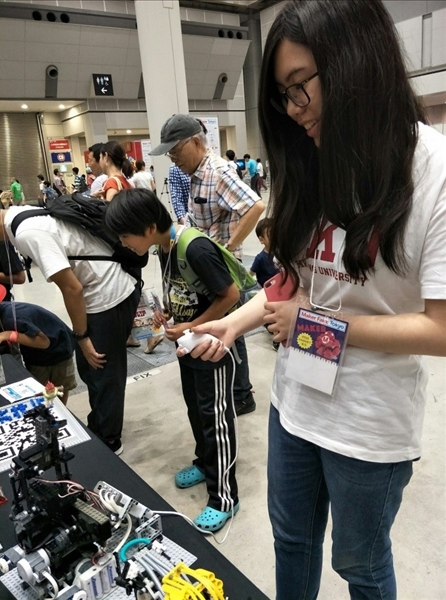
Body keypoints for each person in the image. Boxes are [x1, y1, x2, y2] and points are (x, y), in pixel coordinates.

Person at [187, 1, 446, 598]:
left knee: (360, 564)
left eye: (300, 86)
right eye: (283, 96)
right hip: (296, 402)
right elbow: (296, 285)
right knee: (292, 541)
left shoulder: (430, 171)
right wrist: (234, 324)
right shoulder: (311, 161)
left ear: (356, 62)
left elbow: (439, 328)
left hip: (368, 421)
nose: (294, 109)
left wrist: (318, 326)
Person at [105, 188, 240, 532]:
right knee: (196, 409)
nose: (124, 244)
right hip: (188, 345)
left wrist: (192, 326)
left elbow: (231, 295)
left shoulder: (194, 247)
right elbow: (184, 290)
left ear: (149, 227)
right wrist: (168, 314)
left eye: (125, 236)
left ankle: (224, 497)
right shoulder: (164, 247)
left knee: (215, 419)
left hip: (212, 347)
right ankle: (205, 463)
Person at [0, 203, 141, 455]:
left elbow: (72, 288)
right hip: (99, 289)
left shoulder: (27, 232)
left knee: (102, 369)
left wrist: (81, 336)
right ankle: (99, 426)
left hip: (107, 293)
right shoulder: (19, 216)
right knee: (90, 370)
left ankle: (109, 441)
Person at [150, 114, 266, 416]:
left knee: (231, 331)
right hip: (203, 266)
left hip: (218, 270)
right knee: (221, 328)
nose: (174, 159)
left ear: (196, 142)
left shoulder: (217, 171)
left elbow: (256, 206)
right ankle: (235, 389)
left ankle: (241, 394)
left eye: (176, 151)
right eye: (169, 154)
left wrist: (227, 248)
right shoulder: (197, 174)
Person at [0, 284, 77, 405]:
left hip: (59, 347)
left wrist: (8, 335)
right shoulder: (0, 312)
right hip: (34, 354)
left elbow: (44, 342)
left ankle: (61, 410)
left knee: (59, 386)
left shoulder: (11, 317)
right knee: (38, 391)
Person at [250, 218, 279, 289]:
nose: (275, 237)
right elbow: (250, 275)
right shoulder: (260, 258)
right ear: (261, 240)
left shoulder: (280, 254)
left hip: (279, 288)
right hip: (265, 291)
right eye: (271, 235)